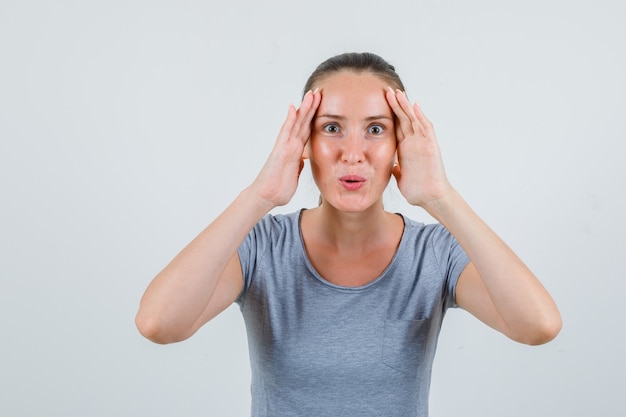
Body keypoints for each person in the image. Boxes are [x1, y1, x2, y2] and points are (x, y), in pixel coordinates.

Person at [136, 52, 562, 416]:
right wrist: (260, 196)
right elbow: (159, 323)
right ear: (304, 140)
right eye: (332, 128)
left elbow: (538, 325)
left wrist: (441, 197)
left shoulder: (435, 252)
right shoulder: (261, 246)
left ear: (401, 141)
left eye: (375, 129)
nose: (353, 153)